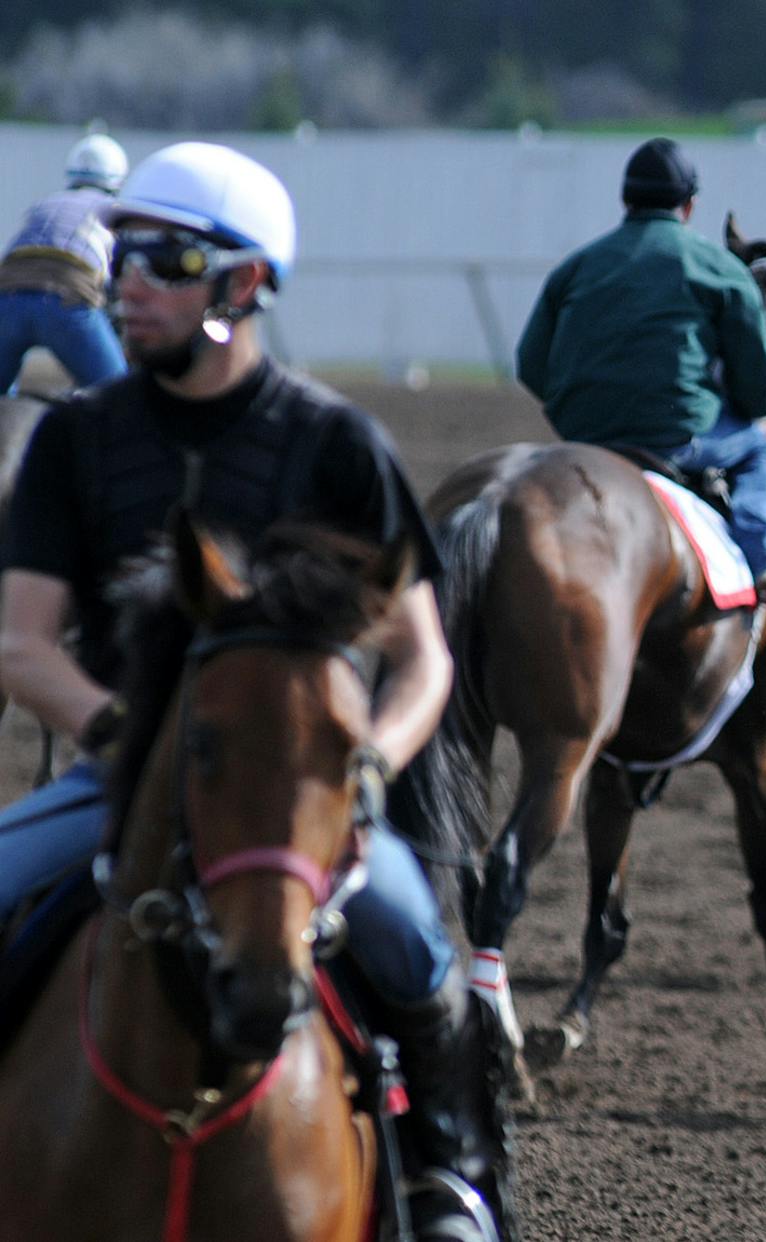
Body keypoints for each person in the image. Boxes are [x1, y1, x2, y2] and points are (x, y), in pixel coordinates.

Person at [0, 142, 499, 1241]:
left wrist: (365, 765)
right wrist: (120, 731)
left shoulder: (335, 445)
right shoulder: (77, 442)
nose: (124, 281)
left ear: (246, 284)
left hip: (306, 808)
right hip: (118, 782)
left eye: (165, 260)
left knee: (417, 944)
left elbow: (423, 657)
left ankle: (452, 1189)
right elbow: (21, 642)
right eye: (122, 255)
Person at [516, 136, 766, 603]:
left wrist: (579, 413)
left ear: (626, 200)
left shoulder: (575, 267)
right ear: (690, 206)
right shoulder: (718, 268)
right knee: (759, 448)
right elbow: (758, 392)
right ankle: (765, 552)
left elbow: (531, 365)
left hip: (585, 437)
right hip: (677, 437)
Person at [0, 134, 130, 394]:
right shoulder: (116, 210)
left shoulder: (45, 204)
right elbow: (120, 281)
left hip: (7, 298)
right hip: (68, 300)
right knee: (120, 399)